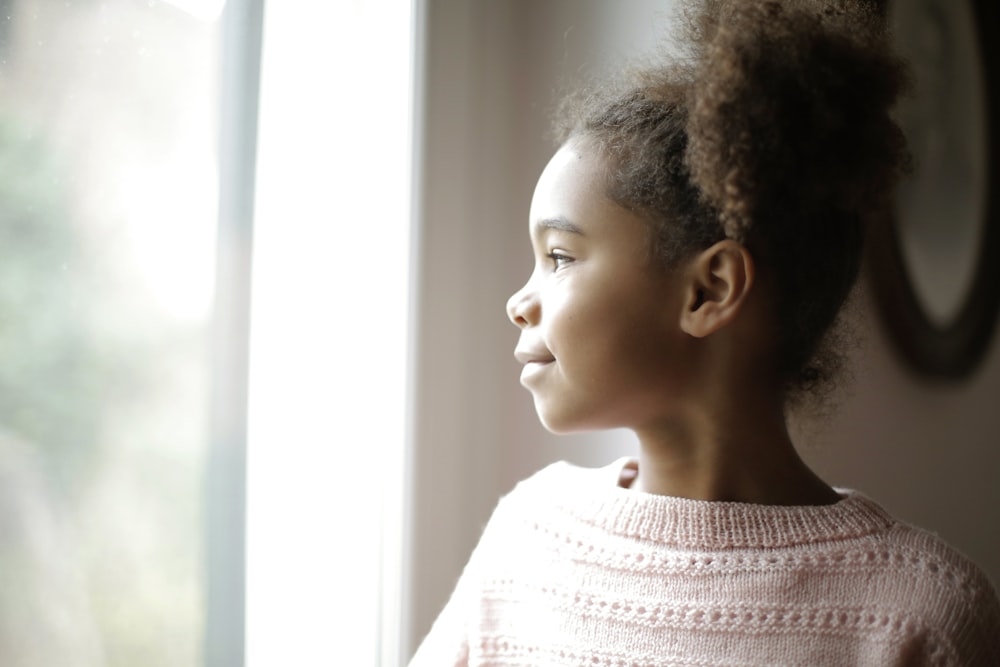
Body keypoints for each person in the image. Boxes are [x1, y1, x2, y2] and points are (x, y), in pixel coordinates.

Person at [408, 0, 1000, 664]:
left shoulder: (922, 615)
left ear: (709, 289)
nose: (519, 301)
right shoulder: (526, 541)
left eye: (560, 258)